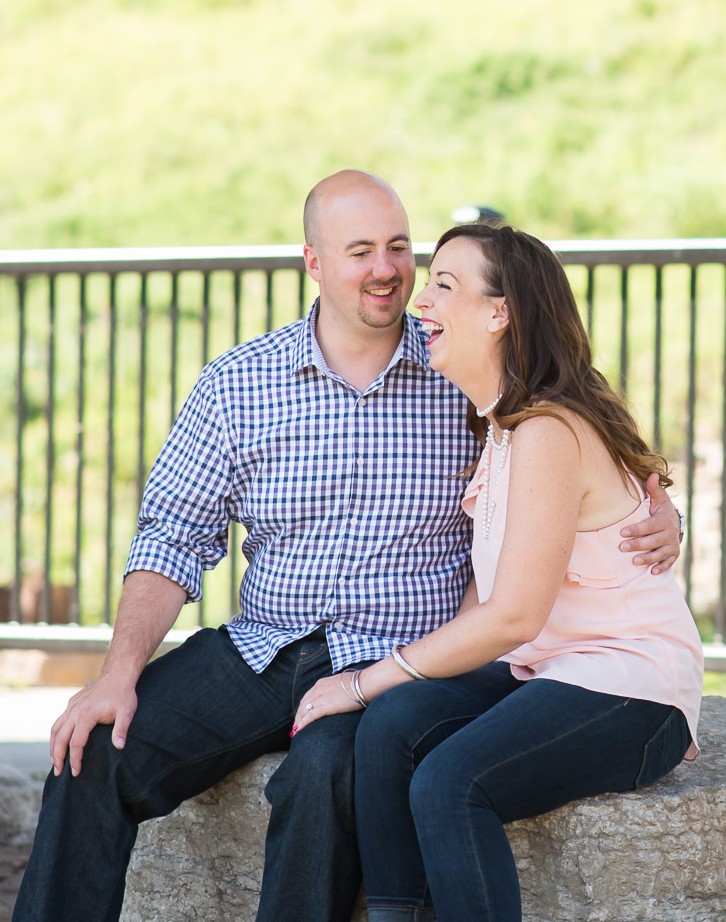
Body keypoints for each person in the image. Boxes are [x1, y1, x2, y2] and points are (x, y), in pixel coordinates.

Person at [11, 172, 683, 922]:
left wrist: (661, 512)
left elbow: (579, 440)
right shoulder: (240, 384)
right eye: (360, 250)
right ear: (315, 263)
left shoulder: (456, 369)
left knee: (325, 773)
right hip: (264, 645)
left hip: (397, 651)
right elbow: (173, 533)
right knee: (95, 752)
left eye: (399, 247)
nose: (388, 270)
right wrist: (118, 674)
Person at [290, 222, 703, 922]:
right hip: (546, 671)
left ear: (499, 312)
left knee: (450, 780)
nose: (422, 302)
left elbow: (513, 615)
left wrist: (359, 682)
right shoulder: (506, 427)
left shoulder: (547, 431)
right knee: (392, 728)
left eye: (443, 286)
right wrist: (388, 692)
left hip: (630, 683)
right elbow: (488, 607)